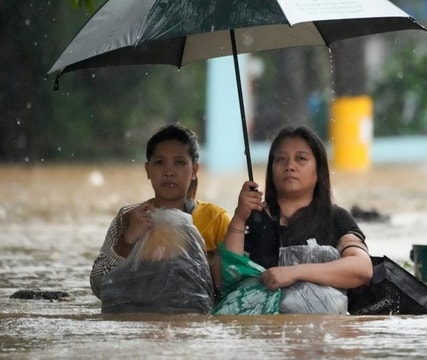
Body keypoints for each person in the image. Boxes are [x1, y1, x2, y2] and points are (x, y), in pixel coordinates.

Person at [217, 125, 373, 313]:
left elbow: (362, 269)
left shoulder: (335, 218)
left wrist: (294, 273)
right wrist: (239, 217)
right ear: (271, 169)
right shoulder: (253, 217)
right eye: (281, 159)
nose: (290, 166)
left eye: (301, 159)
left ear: (319, 171)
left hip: (322, 336)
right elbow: (225, 277)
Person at [90, 123, 231, 301]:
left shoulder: (216, 220)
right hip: (140, 322)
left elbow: (235, 286)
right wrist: (127, 241)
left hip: (194, 324)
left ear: (194, 170)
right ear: (148, 170)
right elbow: (99, 287)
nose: (169, 172)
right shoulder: (129, 217)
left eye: (179, 163)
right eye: (159, 163)